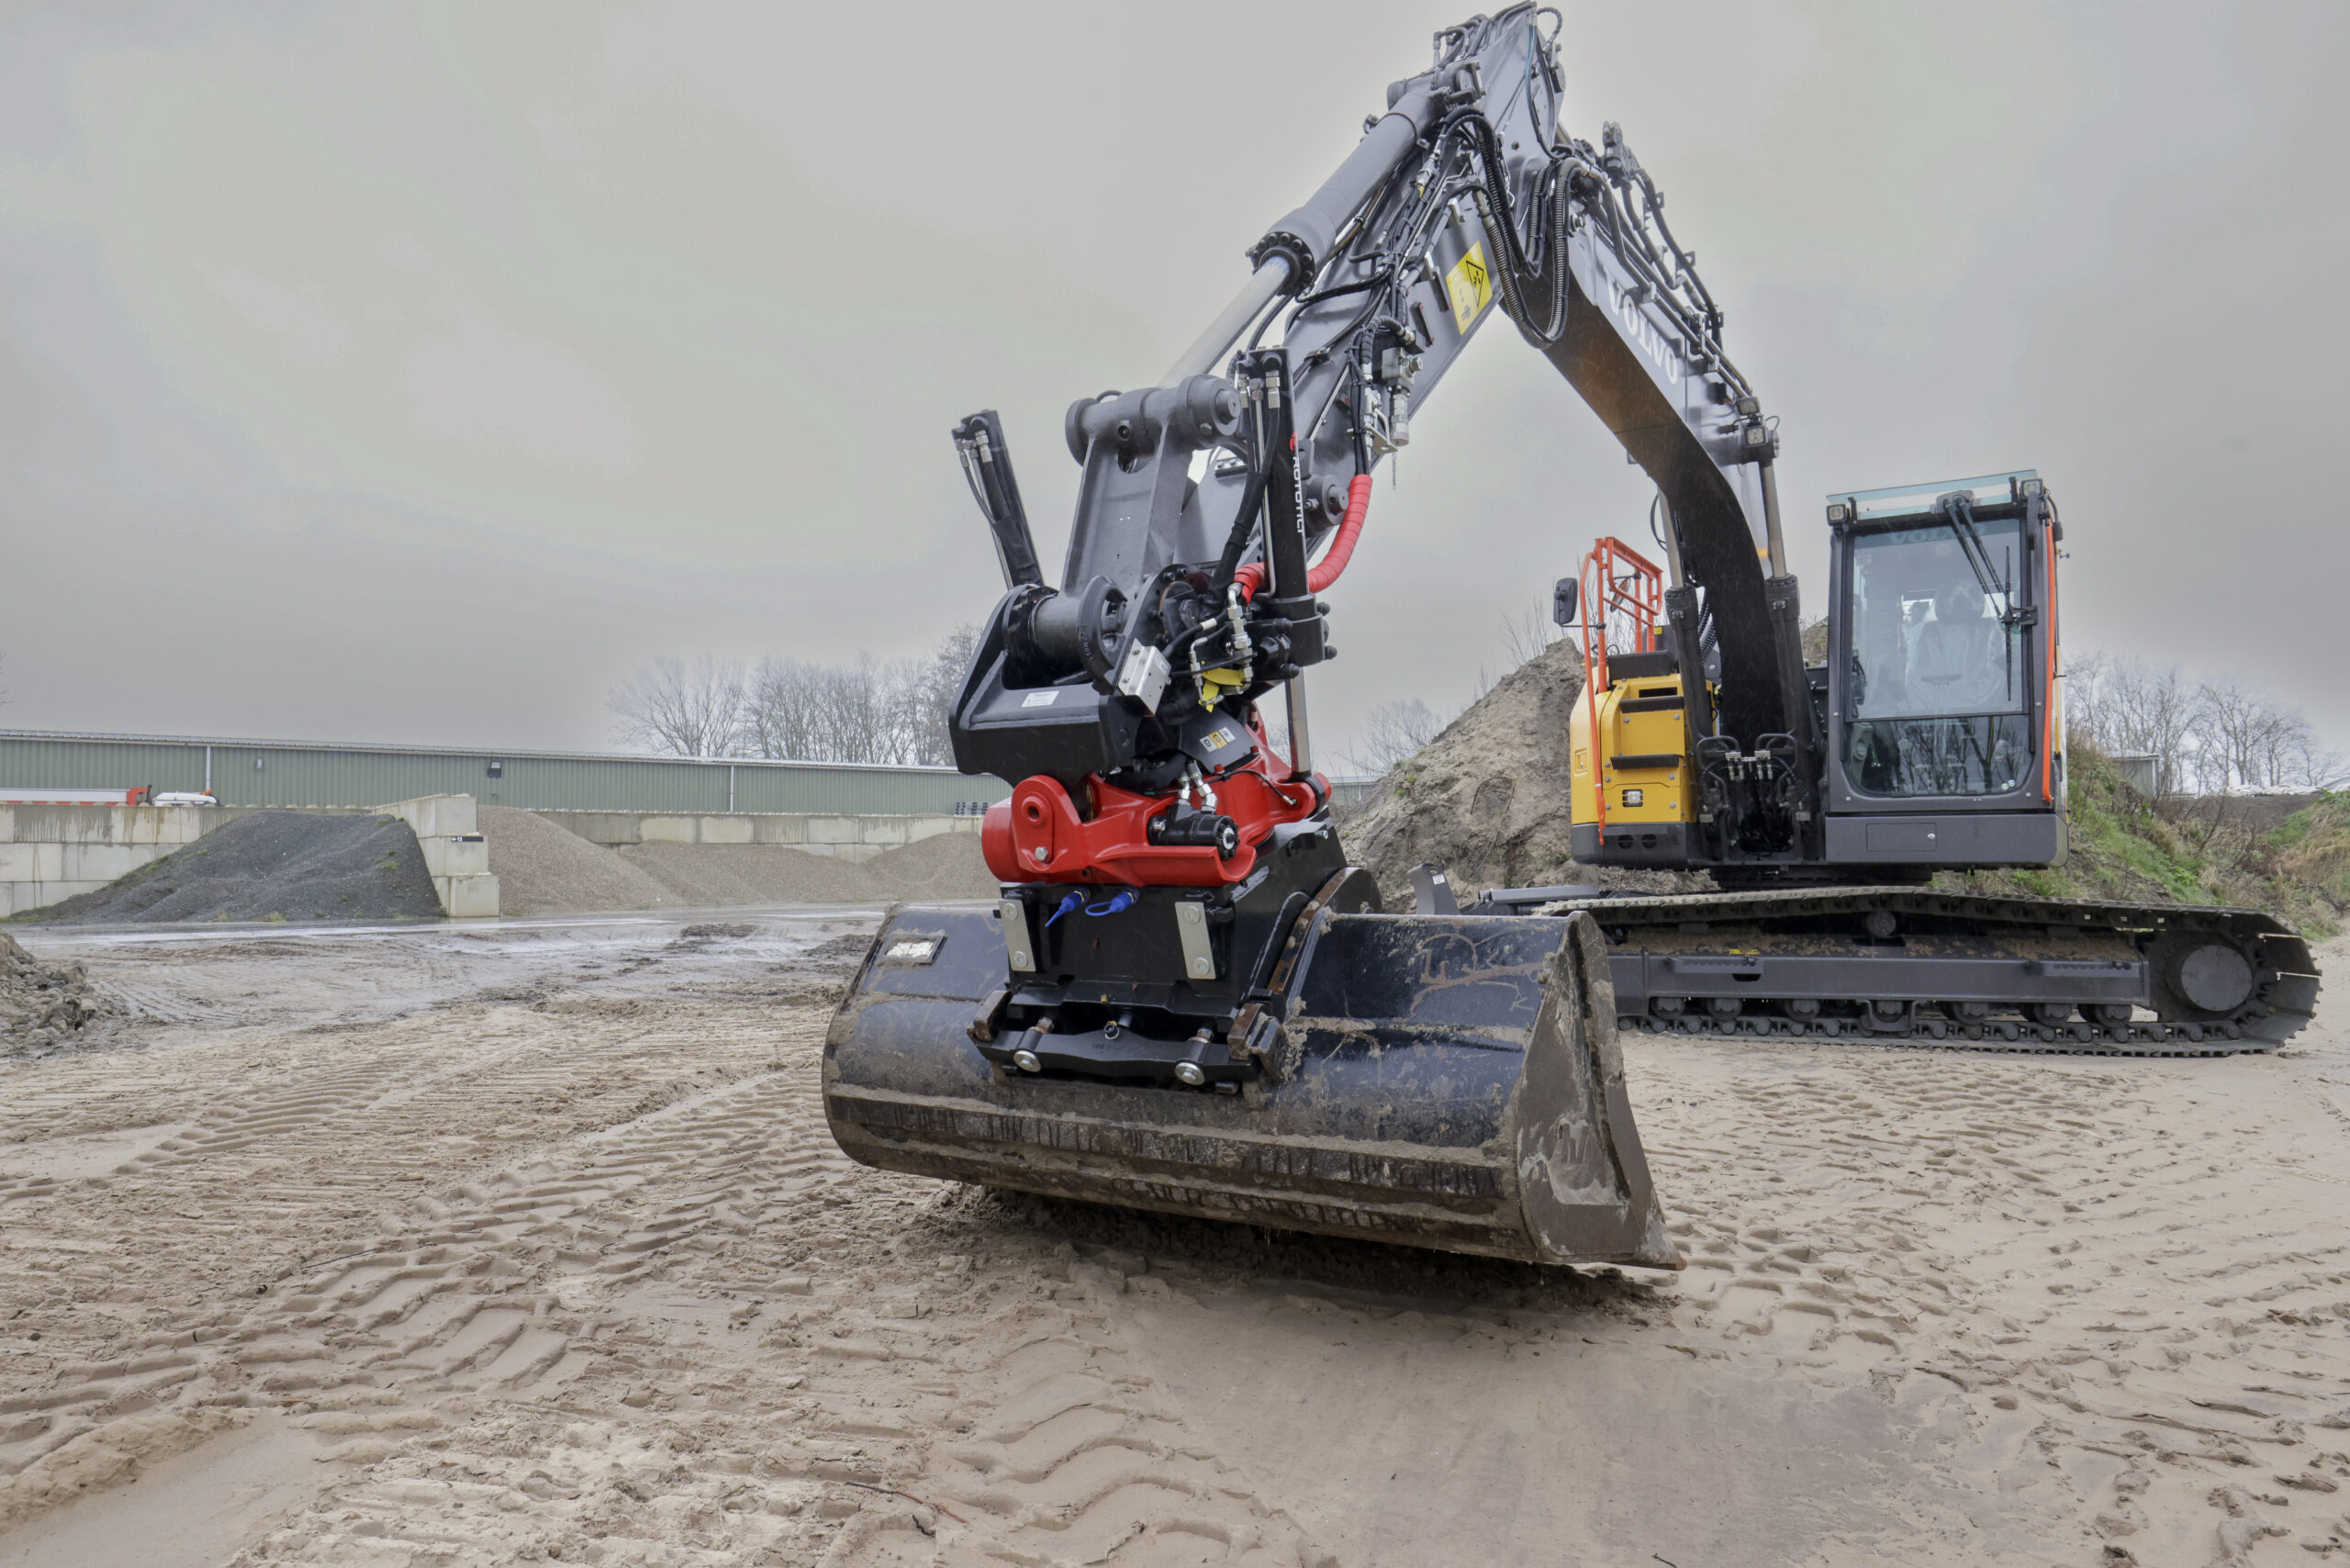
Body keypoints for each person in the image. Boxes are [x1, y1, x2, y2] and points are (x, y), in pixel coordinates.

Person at [1906, 577, 2009, 713]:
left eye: (1963, 599)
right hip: (1976, 704)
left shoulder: (1927, 630)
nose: (1959, 604)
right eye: (1956, 599)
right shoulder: (1927, 631)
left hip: (1944, 706)